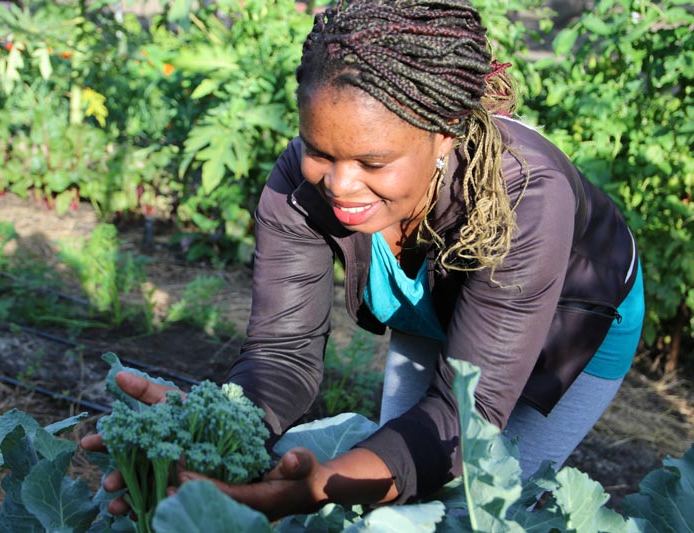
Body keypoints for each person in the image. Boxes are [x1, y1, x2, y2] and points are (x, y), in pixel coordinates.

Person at [82, 0, 644, 520]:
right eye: (320, 151)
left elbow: (463, 422)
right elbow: (281, 353)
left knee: (483, 503)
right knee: (394, 491)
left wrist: (322, 483)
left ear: (444, 137)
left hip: (565, 321)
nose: (341, 185)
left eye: (373, 162)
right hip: (434, 302)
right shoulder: (303, 186)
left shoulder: (528, 199)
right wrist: (217, 432)